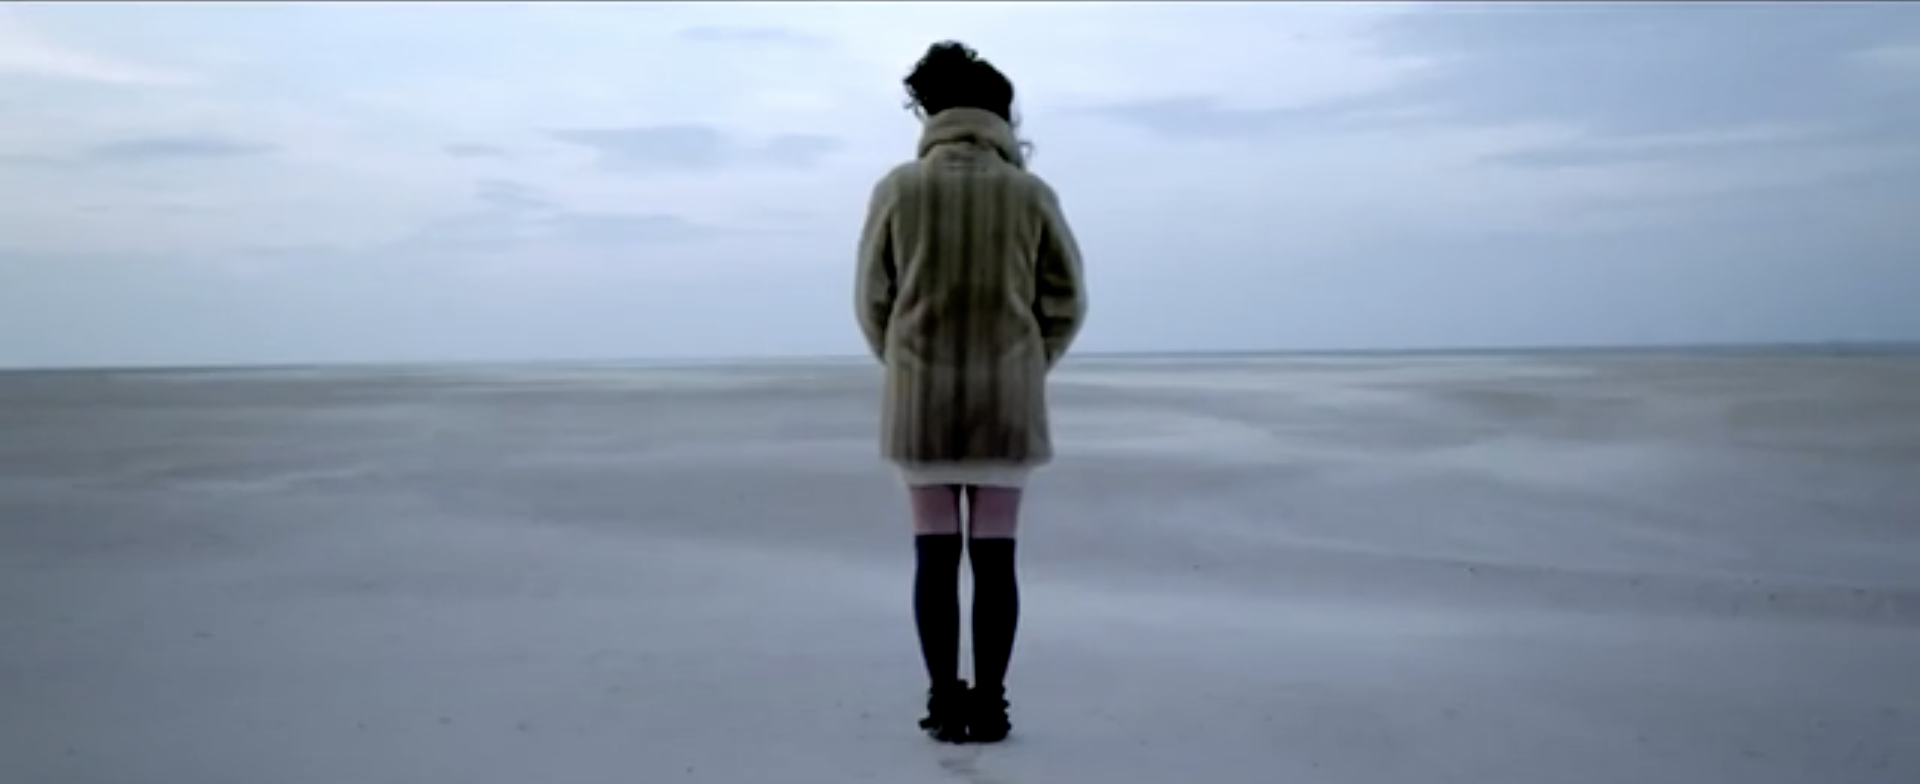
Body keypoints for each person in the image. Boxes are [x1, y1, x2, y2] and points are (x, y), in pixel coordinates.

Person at [854, 40, 1088, 744]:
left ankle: (941, 701)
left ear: (931, 111)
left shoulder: (899, 187)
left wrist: (905, 363)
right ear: (1000, 116)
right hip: (1005, 407)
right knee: (994, 556)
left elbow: (873, 299)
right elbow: (1065, 300)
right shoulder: (1030, 193)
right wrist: (1024, 364)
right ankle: (990, 703)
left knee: (933, 554)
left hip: (920, 406)